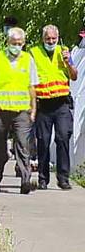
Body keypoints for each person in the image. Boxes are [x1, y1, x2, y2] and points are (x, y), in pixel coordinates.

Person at [0, 27, 38, 194]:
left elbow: (31, 86)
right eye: (14, 43)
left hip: (22, 111)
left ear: (24, 43)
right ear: (8, 42)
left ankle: (25, 181)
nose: (17, 46)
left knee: (23, 145)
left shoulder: (28, 59)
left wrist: (33, 109)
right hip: (1, 111)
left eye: (20, 44)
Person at [30, 25, 78, 190]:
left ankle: (63, 178)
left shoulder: (64, 51)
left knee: (63, 138)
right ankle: (43, 178)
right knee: (43, 141)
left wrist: (68, 62)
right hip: (43, 104)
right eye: (47, 39)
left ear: (58, 38)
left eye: (53, 39)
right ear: (43, 39)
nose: (50, 41)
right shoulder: (34, 52)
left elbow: (74, 75)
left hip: (61, 103)